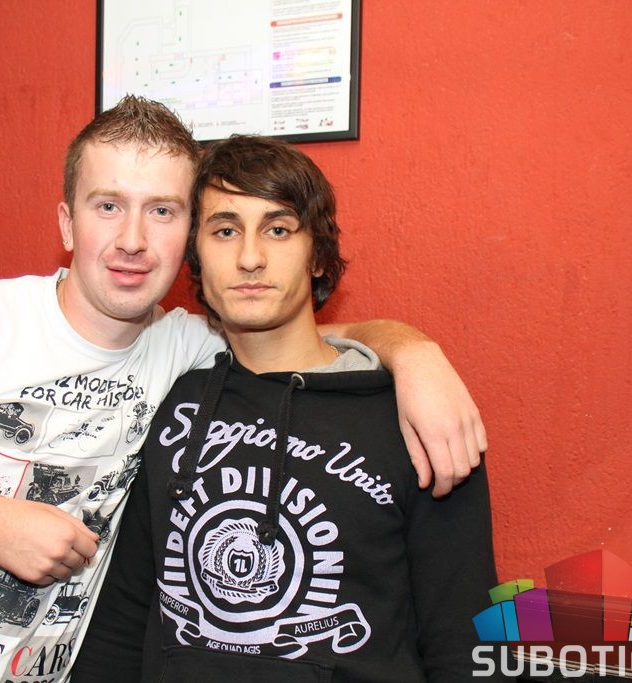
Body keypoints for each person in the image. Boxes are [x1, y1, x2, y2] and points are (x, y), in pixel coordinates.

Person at [0, 97, 486, 683]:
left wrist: (412, 351)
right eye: (108, 206)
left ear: (183, 235)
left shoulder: (186, 349)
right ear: (66, 222)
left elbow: (291, 331)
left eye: (161, 211)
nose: (133, 239)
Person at [72, 135, 506, 682]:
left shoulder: (415, 416)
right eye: (225, 231)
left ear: (318, 256)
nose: (250, 257)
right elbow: (122, 618)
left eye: (278, 230)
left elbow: (467, 645)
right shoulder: (172, 402)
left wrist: (414, 351)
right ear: (195, 257)